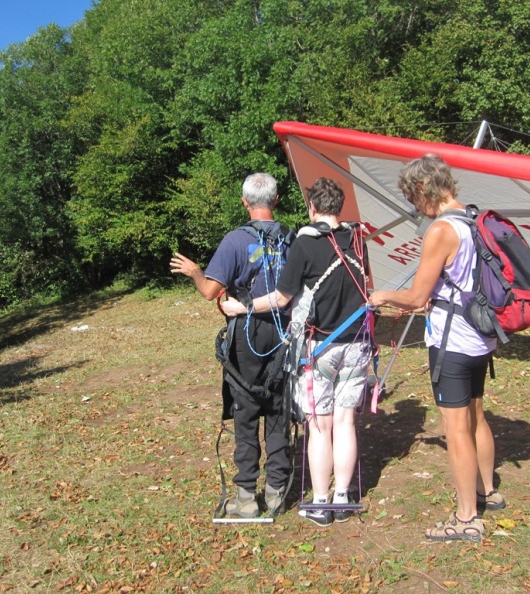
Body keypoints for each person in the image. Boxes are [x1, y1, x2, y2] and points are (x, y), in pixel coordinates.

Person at [369, 154, 504, 543]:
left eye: (414, 200)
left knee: (456, 426)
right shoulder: (474, 219)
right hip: (481, 337)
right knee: (477, 414)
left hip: (452, 342)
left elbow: (415, 297)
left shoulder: (442, 230)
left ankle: (466, 519)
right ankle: (487, 491)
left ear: (424, 190)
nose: (416, 209)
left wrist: (382, 296)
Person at [222, 177, 373, 527]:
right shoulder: (359, 239)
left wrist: (243, 307)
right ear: (340, 207)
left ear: (313, 208)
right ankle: (343, 497)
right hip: (357, 343)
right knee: (346, 421)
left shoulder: (305, 244)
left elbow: (282, 298)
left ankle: (320, 502)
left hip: (321, 343)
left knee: (320, 426)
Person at [170, 172, 293, 519]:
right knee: (278, 408)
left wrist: (196, 271)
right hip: (283, 329)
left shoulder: (235, 241)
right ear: (276, 199)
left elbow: (211, 291)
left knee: (247, 406)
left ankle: (245, 496)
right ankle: (277, 489)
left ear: (244, 202)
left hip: (246, 330)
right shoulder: (290, 237)